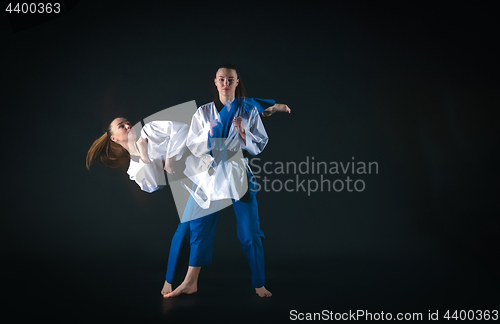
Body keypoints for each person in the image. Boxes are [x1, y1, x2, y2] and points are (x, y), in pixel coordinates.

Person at [165, 63, 291, 298]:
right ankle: (190, 282)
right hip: (209, 172)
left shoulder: (248, 109)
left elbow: (260, 143)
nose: (225, 83)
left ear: (236, 82)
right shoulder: (203, 112)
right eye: (221, 79)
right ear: (215, 82)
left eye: (230, 79)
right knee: (199, 229)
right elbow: (193, 145)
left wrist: (244, 134)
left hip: (237, 170)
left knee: (250, 231)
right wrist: (209, 132)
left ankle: (259, 283)